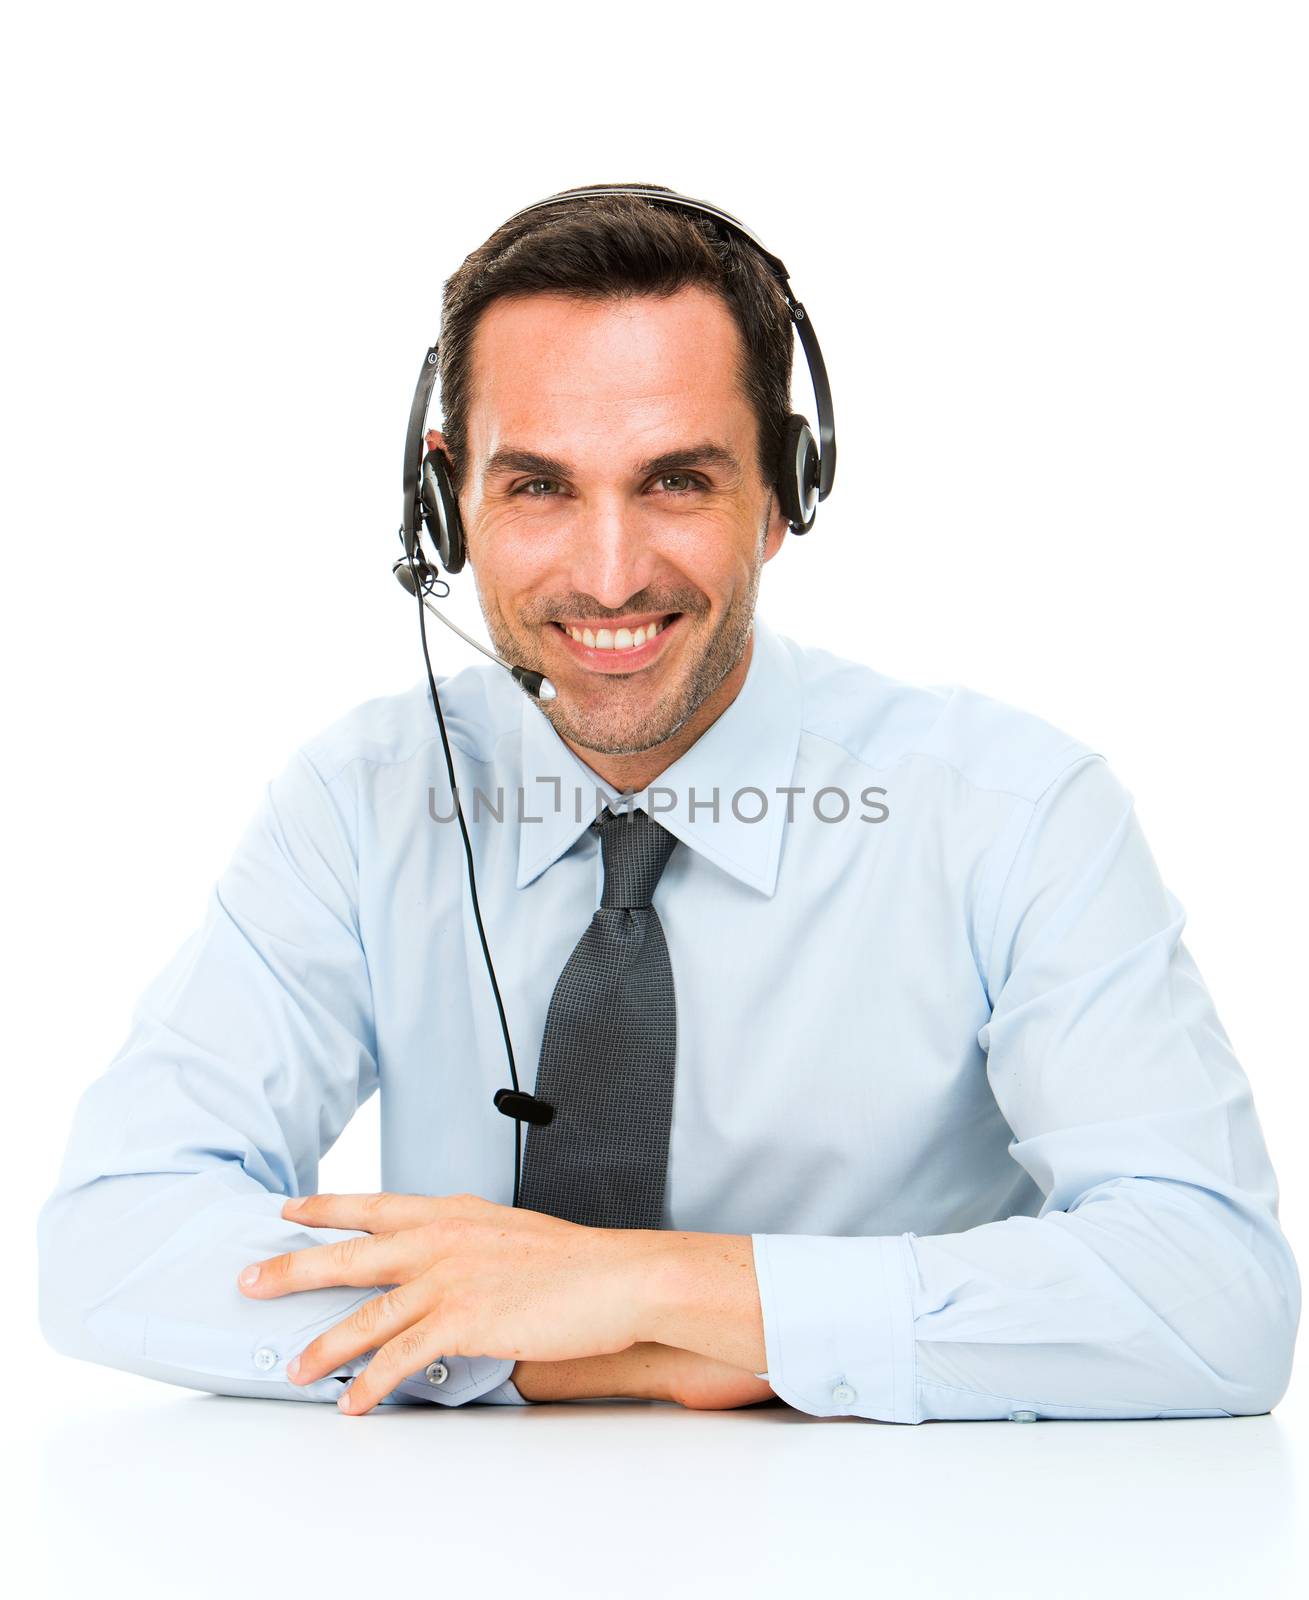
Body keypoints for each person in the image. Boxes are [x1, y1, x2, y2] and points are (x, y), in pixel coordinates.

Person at [37, 183, 1300, 1422]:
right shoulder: (360, 802)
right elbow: (109, 1240)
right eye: (536, 486)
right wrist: (577, 1352)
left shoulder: (1016, 815)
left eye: (676, 482)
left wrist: (652, 1282)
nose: (607, 573)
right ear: (448, 503)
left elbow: (1210, 1296)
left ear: (784, 495)